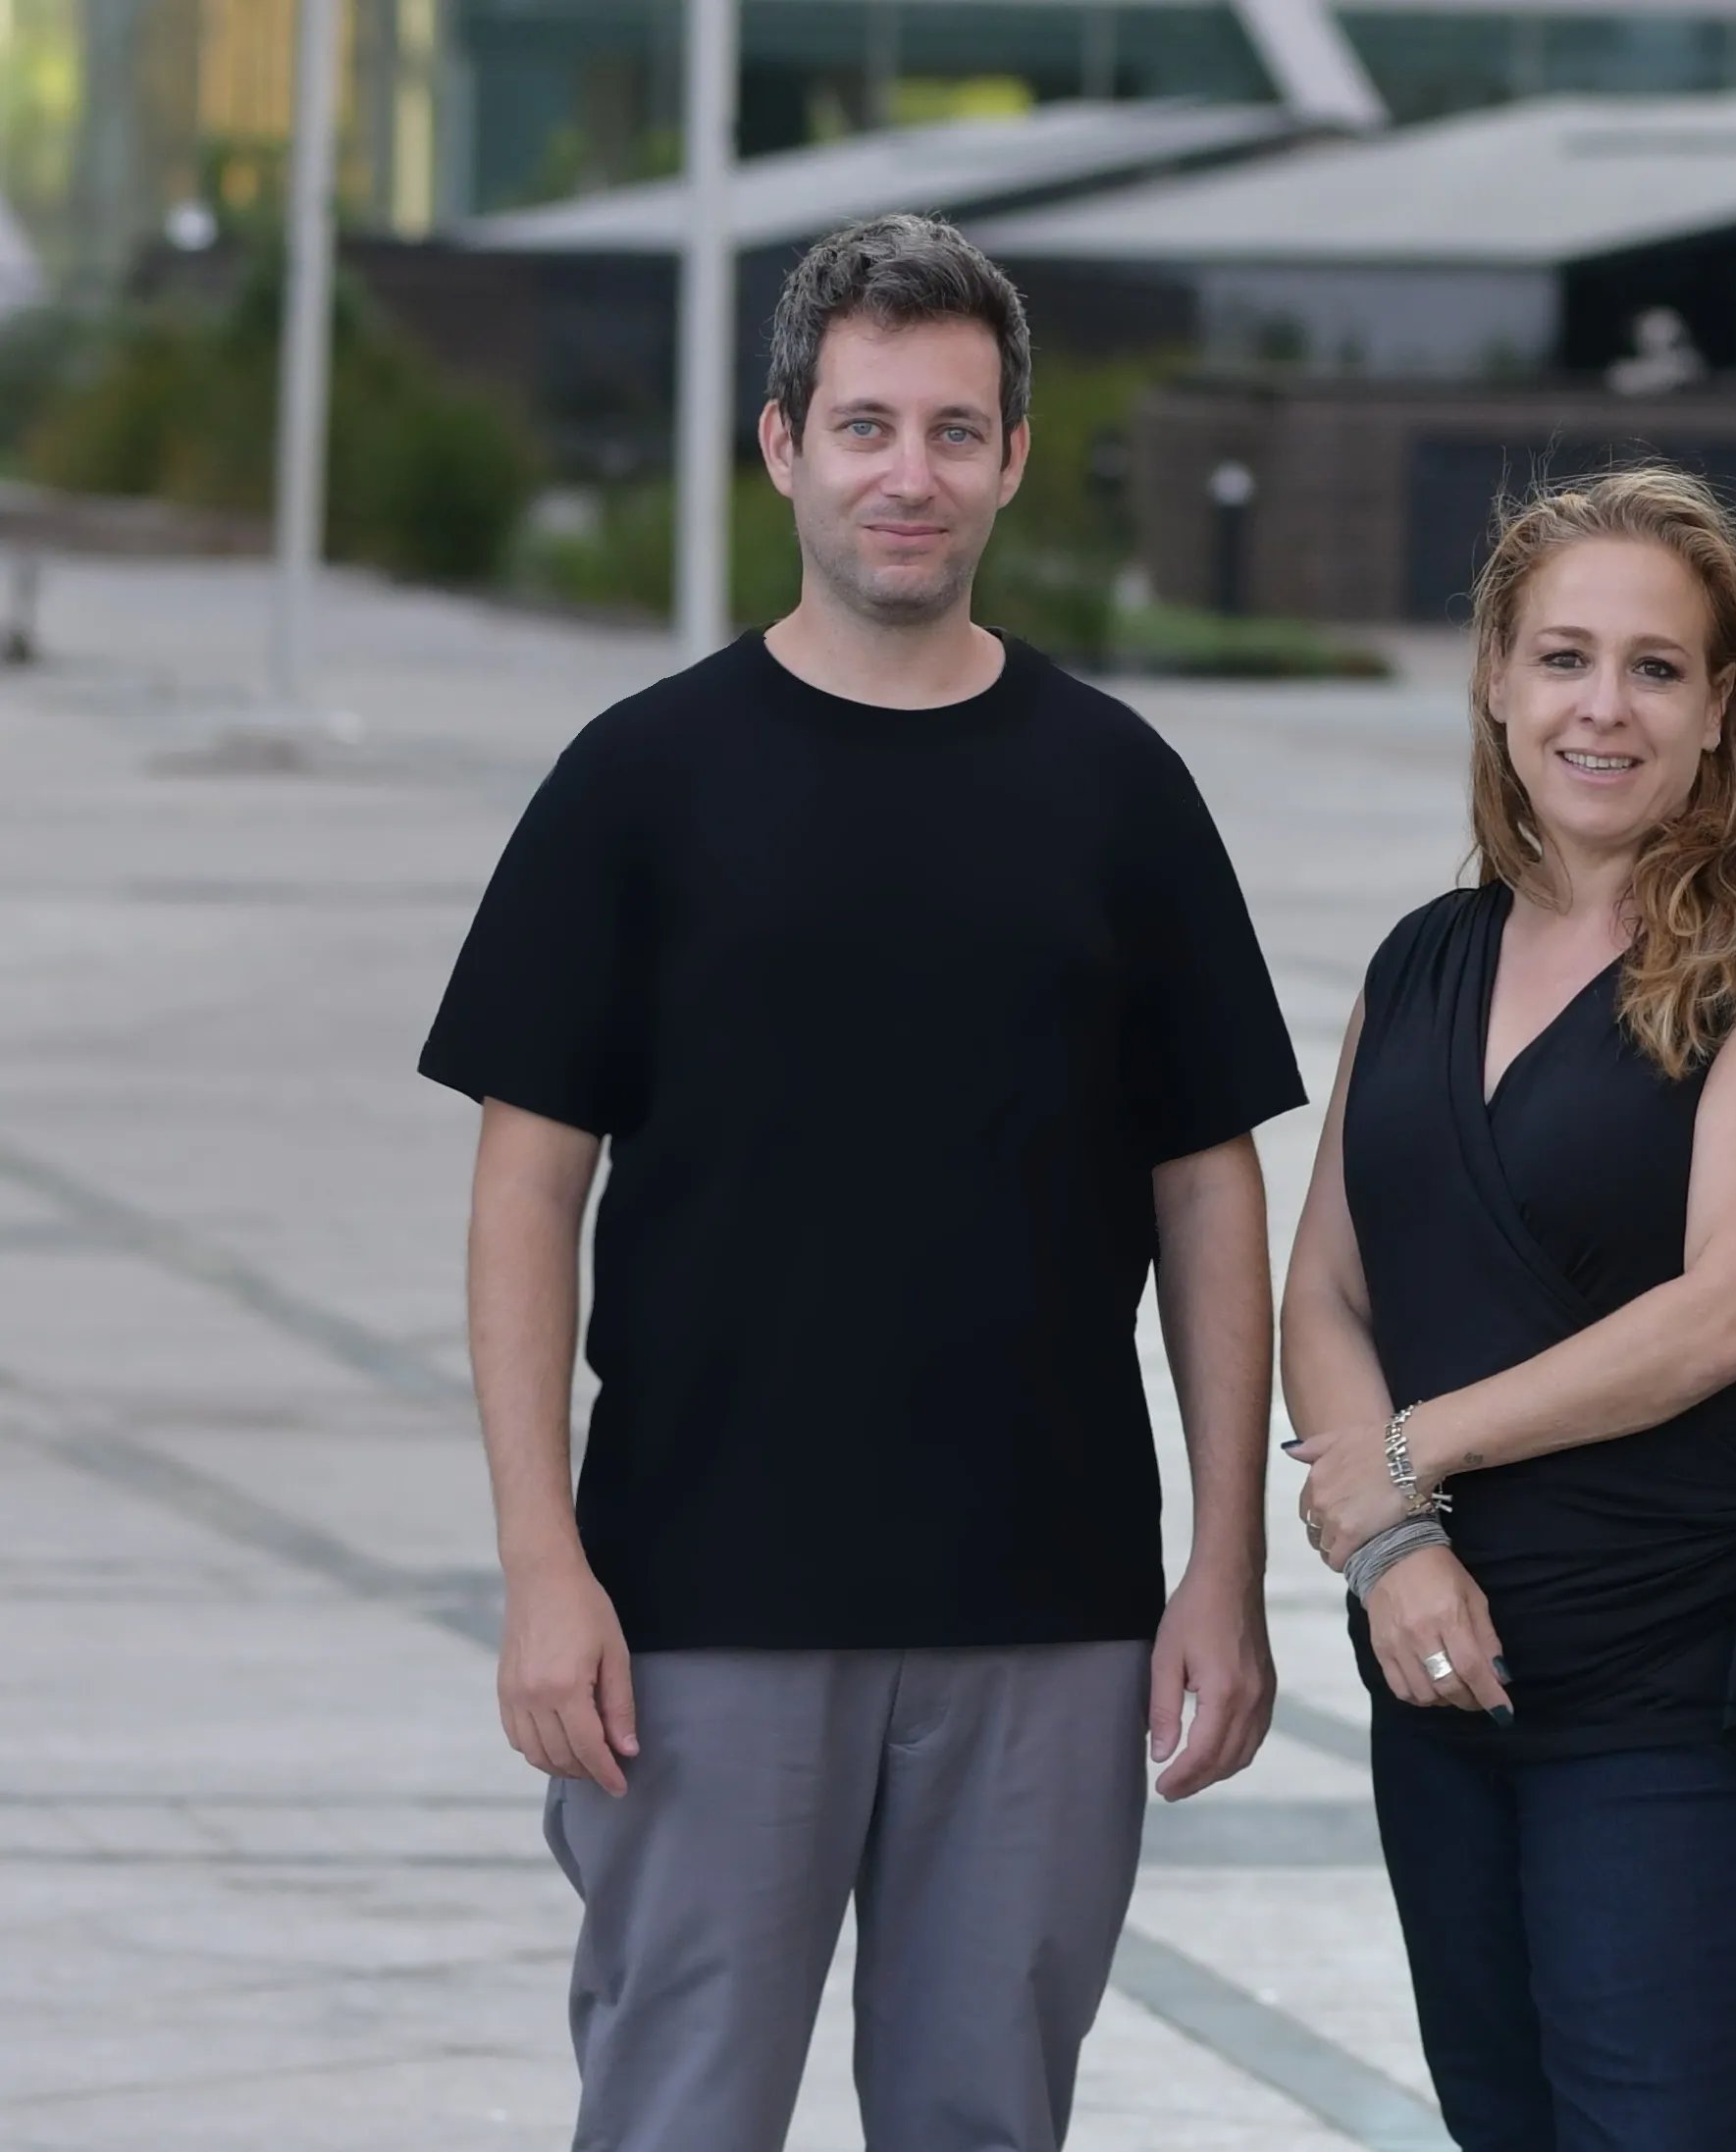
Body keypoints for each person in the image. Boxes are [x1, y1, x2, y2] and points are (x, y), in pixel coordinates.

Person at [419, 214, 1304, 2151]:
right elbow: (522, 1190)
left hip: (1050, 1612)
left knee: (987, 2116)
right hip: (698, 1610)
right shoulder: (637, 785)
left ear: (1010, 458)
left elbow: (1209, 1194)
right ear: (783, 448)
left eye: (956, 431)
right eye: (869, 426)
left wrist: (1221, 1565)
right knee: (679, 2115)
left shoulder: (1118, 792)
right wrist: (544, 1565)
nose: (911, 472)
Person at [1279, 466, 1736, 2151]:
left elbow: (1732, 1316)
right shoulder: (1421, 960)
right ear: (1493, 678)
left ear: (1718, 708)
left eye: (1653, 667)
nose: (1600, 708)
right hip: (1439, 1656)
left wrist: (1405, 1457)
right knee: (1500, 2120)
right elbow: (1324, 1285)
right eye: (1562, 659)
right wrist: (1398, 1553)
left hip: (1672, 1666)